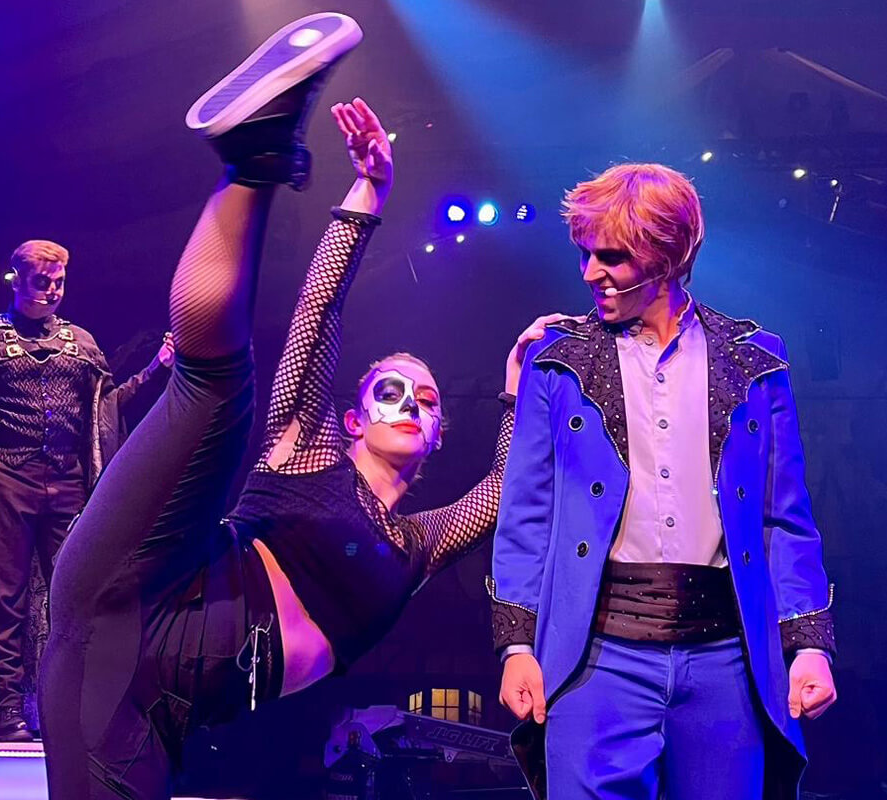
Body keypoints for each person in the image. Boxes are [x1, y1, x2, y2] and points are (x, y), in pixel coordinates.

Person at [38, 13, 561, 798]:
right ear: (353, 420)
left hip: (152, 711)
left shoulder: (418, 545)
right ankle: (256, 159)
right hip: (136, 590)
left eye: (425, 400)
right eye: (390, 391)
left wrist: (516, 387)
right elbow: (319, 312)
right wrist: (369, 193)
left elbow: (504, 489)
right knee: (217, 384)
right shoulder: (308, 449)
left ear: (438, 433)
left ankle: (255, 158)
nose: (409, 404)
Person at [490, 162, 838, 799]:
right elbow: (526, 517)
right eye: (585, 254)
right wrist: (517, 647)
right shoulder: (559, 362)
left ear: (667, 255)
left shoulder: (755, 362)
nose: (589, 272)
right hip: (596, 663)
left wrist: (808, 645)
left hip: (726, 663)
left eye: (611, 257)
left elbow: (784, 518)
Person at [0, 239, 173, 740]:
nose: (52, 291)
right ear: (17, 280)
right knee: (5, 598)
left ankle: (65, 707)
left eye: (59, 282)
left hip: (68, 482)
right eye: (42, 282)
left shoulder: (79, 343)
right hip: (4, 480)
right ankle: (6, 712)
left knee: (74, 593)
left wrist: (157, 369)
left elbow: (108, 408)